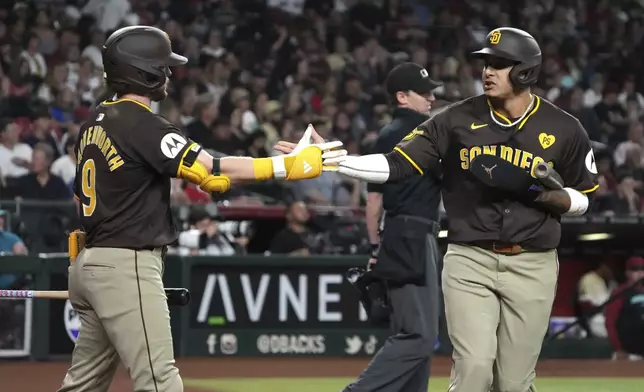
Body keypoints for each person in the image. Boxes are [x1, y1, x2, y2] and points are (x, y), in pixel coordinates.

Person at [57, 25, 345, 392]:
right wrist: (288, 166)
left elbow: (205, 177)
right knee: (160, 383)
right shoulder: (142, 123)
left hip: (90, 264)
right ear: (144, 71)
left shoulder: (94, 121)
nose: (169, 73)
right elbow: (210, 171)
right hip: (125, 264)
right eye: (163, 66)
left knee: (82, 386)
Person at [324, 27, 598, 392]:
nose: (488, 71)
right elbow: (395, 164)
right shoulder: (453, 120)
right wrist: (330, 160)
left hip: (534, 262)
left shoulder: (564, 128)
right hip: (470, 260)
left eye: (499, 64)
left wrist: (545, 195)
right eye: (485, 63)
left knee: (513, 383)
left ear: (526, 71)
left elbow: (584, 196)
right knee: (474, 370)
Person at [344, 62, 442, 392]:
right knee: (420, 336)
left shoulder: (383, 136)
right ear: (402, 96)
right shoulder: (429, 132)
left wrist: (375, 248)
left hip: (393, 236)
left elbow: (373, 203)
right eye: (424, 92)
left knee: (409, 331)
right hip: (416, 236)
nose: (431, 97)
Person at [605, 256, 644, 361]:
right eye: (635, 270)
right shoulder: (620, 293)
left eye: (642, 269)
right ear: (627, 273)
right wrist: (618, 348)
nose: (640, 273)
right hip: (627, 353)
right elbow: (610, 322)